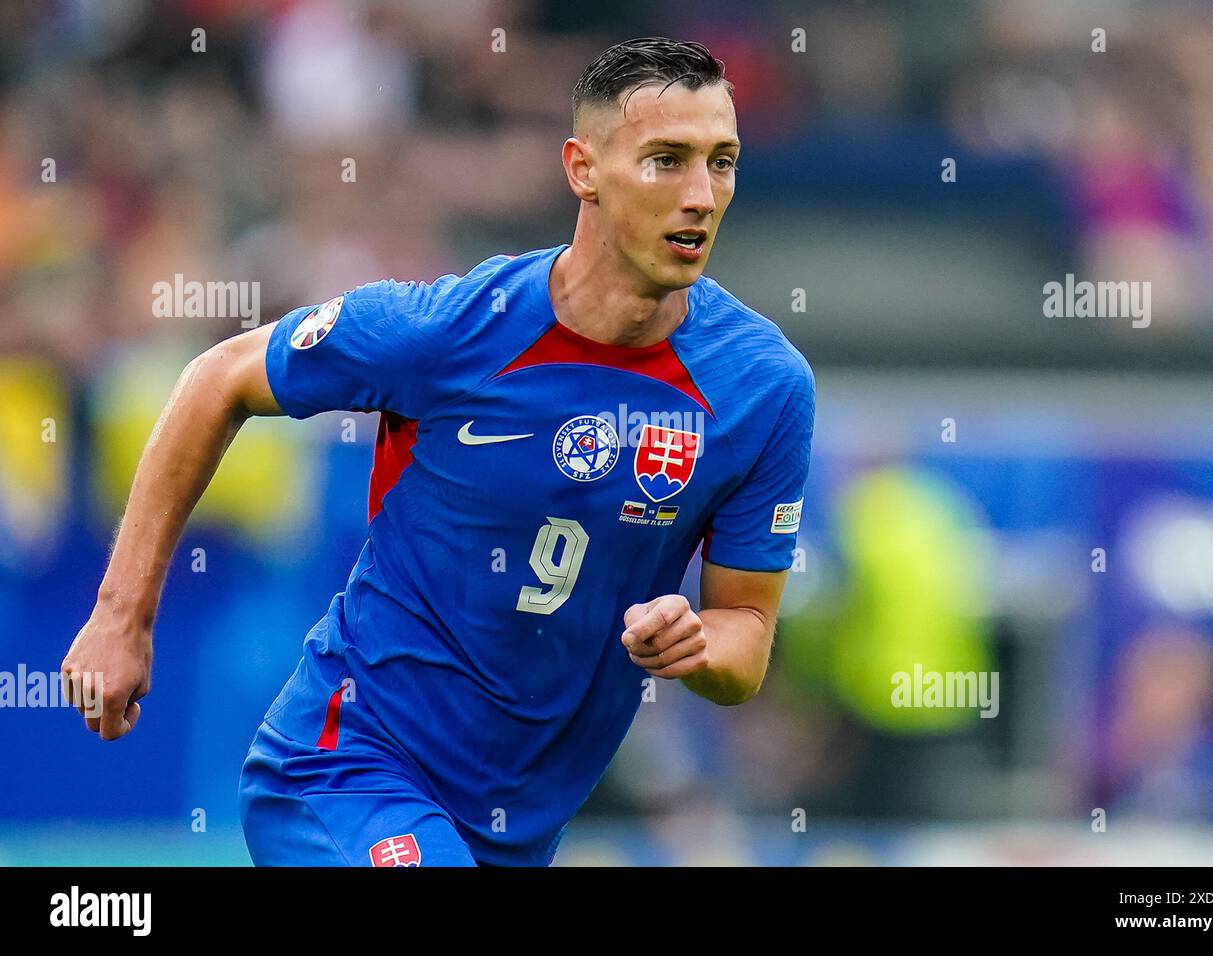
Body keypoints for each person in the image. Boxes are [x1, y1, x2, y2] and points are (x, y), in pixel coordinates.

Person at [62, 37, 815, 866]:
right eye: (667, 161)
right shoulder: (450, 330)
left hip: (512, 829)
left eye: (723, 162)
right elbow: (218, 378)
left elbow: (745, 633)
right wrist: (120, 618)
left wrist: (697, 646)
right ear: (583, 168)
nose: (701, 195)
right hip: (343, 768)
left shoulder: (762, 388)